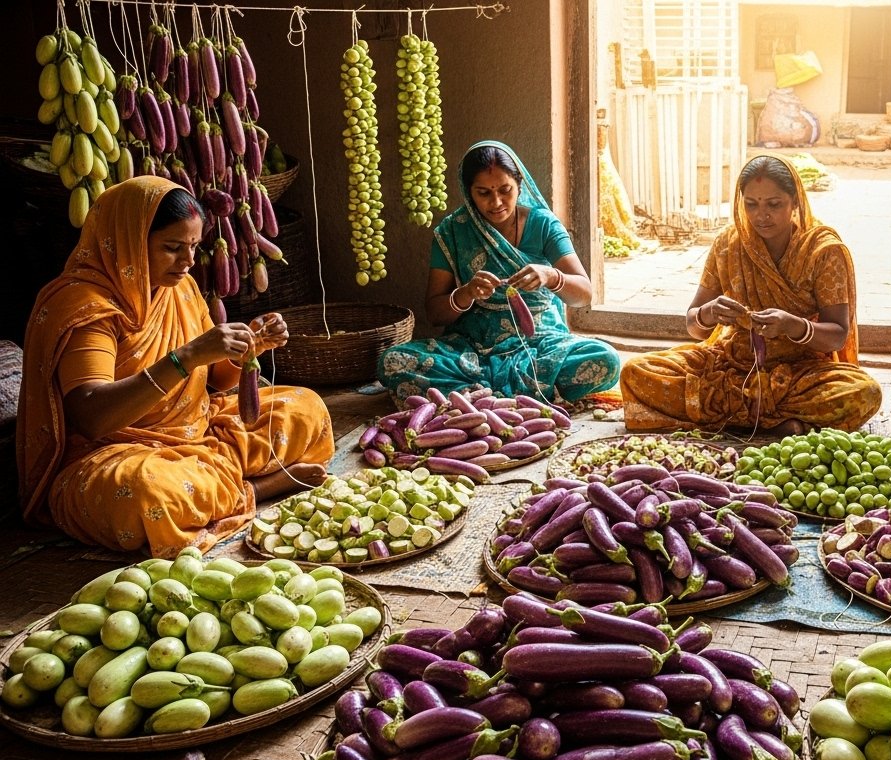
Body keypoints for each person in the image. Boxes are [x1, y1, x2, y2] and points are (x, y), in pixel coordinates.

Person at [18, 176, 335, 558]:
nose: (187, 262)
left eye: (194, 247)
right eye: (172, 248)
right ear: (129, 242)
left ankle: (215, 485)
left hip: (195, 430)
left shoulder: (177, 287)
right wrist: (185, 359)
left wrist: (244, 350)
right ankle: (257, 488)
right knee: (149, 495)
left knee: (306, 408)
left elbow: (215, 381)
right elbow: (92, 416)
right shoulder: (87, 306)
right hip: (115, 452)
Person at [620, 154, 881, 435]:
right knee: (636, 371)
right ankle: (773, 421)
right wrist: (710, 313)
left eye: (774, 204)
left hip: (800, 370)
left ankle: (725, 416)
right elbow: (693, 326)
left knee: (864, 392)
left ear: (795, 202)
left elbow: (838, 334)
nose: (761, 215)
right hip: (730, 363)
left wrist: (793, 325)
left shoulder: (823, 250)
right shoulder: (729, 244)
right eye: (751, 204)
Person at [378, 140, 620, 406]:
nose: (496, 203)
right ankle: (520, 396)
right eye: (483, 193)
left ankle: (477, 399)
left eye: (505, 190)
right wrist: (465, 294)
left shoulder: (543, 224)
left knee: (604, 358)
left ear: (519, 184)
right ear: (469, 192)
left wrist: (551, 276)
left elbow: (583, 295)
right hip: (471, 350)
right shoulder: (453, 231)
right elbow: (434, 314)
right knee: (393, 362)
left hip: (539, 344)